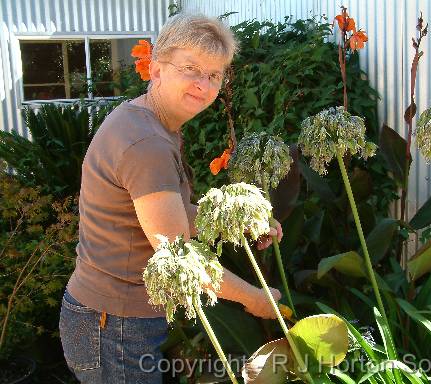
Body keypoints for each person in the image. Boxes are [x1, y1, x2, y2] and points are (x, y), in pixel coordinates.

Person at [59, 13, 283, 383]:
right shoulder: (147, 143)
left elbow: (168, 214)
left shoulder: (148, 122)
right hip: (114, 326)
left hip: (112, 319)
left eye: (214, 75)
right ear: (157, 69)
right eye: (191, 68)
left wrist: (243, 221)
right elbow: (180, 258)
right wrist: (253, 298)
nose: (203, 84)